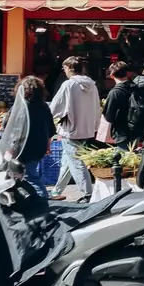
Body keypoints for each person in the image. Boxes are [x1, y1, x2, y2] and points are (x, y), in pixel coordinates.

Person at [49, 56, 99, 202]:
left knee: (76, 162)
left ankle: (87, 193)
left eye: (64, 68)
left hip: (71, 129)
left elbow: (55, 107)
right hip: (86, 129)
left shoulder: (68, 85)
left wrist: (52, 117)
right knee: (68, 161)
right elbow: (97, 108)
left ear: (69, 68)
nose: (64, 71)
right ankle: (57, 190)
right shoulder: (92, 85)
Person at [17, 77, 56, 197]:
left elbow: (9, 126)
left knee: (31, 177)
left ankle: (43, 201)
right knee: (32, 174)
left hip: (24, 148)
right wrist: (47, 146)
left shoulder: (21, 106)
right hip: (39, 147)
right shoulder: (44, 106)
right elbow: (51, 129)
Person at [102, 62, 137, 149]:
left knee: (124, 160)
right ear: (127, 73)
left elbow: (109, 116)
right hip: (137, 132)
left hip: (122, 133)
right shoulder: (136, 88)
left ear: (112, 75)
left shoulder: (115, 92)